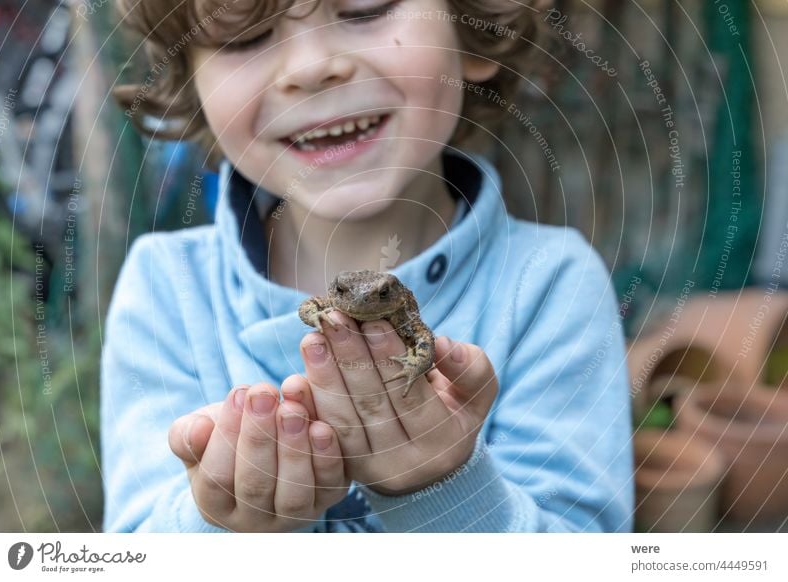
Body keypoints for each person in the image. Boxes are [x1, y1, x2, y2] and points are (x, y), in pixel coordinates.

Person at [102, 0, 633, 533]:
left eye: (365, 8)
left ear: (474, 28)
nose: (312, 68)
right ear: (195, 91)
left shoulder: (552, 282)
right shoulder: (165, 284)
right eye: (244, 36)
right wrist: (217, 526)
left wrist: (443, 487)